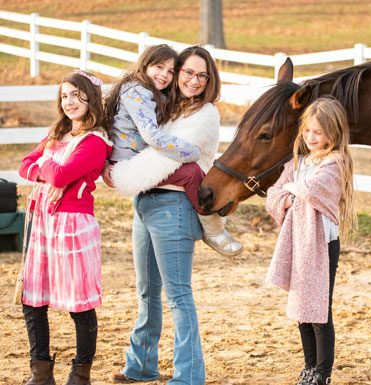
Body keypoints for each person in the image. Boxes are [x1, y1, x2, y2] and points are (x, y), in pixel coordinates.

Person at [109, 45, 224, 385]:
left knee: (178, 295)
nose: (194, 80)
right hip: (145, 203)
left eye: (202, 75)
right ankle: (141, 364)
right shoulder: (169, 109)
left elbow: (163, 162)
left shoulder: (206, 115)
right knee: (146, 291)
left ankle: (188, 376)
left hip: (173, 208)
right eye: (187, 72)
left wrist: (120, 172)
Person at [18, 70, 113, 385]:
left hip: (72, 223)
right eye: (64, 95)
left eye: (76, 94)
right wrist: (50, 169)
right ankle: (41, 372)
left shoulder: (96, 141)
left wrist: (46, 166)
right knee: (33, 299)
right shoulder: (57, 132)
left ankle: (80, 373)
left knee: (78, 303)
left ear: (90, 96)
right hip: (42, 222)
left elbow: (58, 176)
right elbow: (24, 165)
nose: (69, 101)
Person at [103, 44, 242, 256]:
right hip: (130, 166)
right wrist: (189, 153)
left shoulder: (185, 106)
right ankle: (214, 230)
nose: (164, 75)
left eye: (169, 71)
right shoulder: (138, 92)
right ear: (145, 65)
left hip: (158, 189)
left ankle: (214, 227)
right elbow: (151, 135)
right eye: (159, 67)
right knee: (191, 171)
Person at [265, 96, 357, 385]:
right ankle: (308, 368)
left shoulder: (336, 161)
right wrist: (289, 194)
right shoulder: (299, 162)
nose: (312, 137)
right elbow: (274, 194)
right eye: (308, 131)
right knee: (301, 308)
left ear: (334, 132)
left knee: (318, 309)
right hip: (297, 243)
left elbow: (314, 189)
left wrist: (292, 191)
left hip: (321, 245)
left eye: (319, 132)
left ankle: (323, 372)